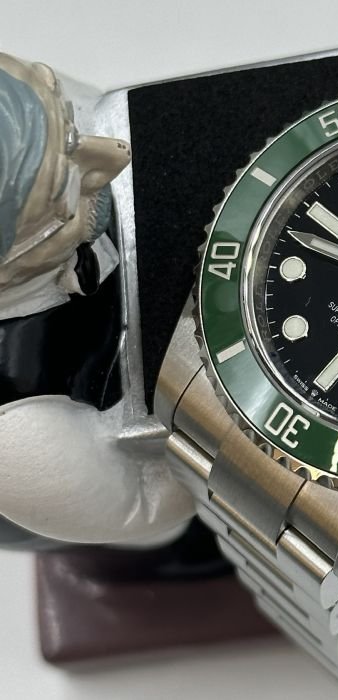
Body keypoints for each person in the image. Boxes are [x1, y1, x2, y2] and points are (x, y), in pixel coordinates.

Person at [0, 53, 193, 548]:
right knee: (165, 544)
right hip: (109, 484)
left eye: (68, 127)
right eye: (60, 193)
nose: (114, 154)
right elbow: (145, 505)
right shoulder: (18, 428)